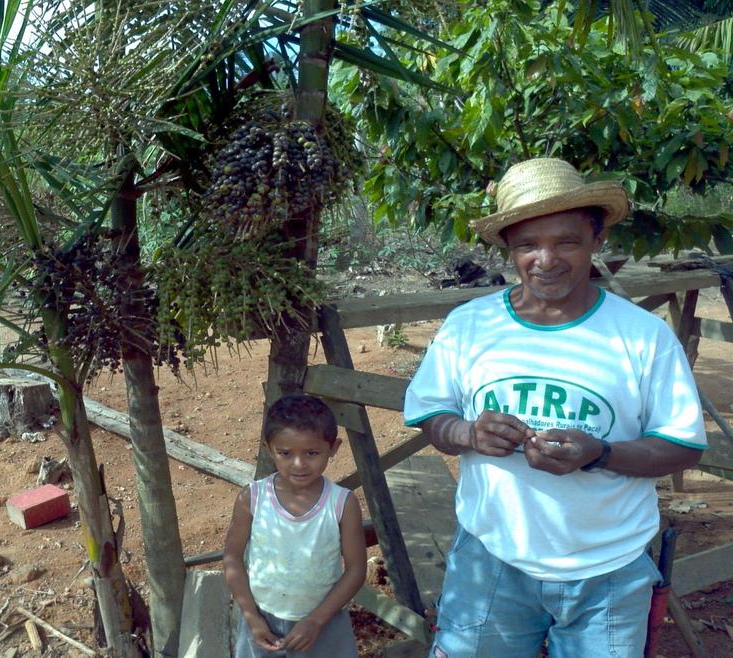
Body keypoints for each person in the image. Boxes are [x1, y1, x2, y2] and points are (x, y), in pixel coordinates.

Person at [403, 158, 708, 658]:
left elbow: (681, 447)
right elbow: (432, 415)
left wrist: (601, 453)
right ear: (509, 249)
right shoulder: (469, 326)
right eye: (527, 245)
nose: (546, 259)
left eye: (566, 241)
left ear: (597, 242)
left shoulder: (643, 336)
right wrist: (467, 434)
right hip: (492, 560)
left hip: (608, 570)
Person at [223, 394, 366, 657]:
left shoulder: (342, 504)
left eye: (312, 453)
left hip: (324, 623)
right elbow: (232, 557)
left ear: (333, 448)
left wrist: (316, 620)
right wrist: (251, 616)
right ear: (269, 449)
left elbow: (356, 569)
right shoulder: (252, 498)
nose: (299, 464)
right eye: (285, 453)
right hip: (262, 621)